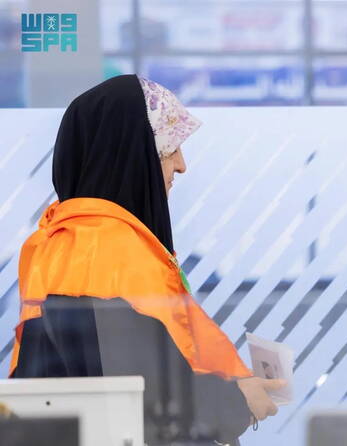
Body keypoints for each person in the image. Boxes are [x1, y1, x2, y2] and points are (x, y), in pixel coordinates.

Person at [9, 75, 284, 444]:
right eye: (170, 147)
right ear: (128, 155)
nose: (181, 165)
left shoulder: (69, 241)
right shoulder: (101, 251)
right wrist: (233, 402)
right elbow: (137, 393)